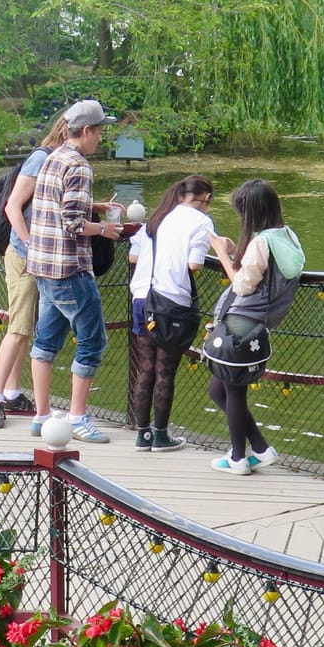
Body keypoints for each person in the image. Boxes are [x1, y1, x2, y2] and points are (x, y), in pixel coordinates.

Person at [25, 100, 127, 443]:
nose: (102, 139)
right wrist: (106, 230)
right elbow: (71, 223)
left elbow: (55, 207)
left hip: (43, 266)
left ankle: (41, 415)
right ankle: (79, 418)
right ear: (86, 131)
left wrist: (94, 207)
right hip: (70, 269)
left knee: (46, 341)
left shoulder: (52, 157)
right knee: (93, 341)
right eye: (100, 132)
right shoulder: (80, 167)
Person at [205, 179, 303, 474]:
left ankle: (238, 459)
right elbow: (266, 273)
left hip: (240, 324)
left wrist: (222, 252)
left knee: (232, 393)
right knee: (218, 390)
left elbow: (242, 285)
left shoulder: (261, 241)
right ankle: (260, 449)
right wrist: (239, 254)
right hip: (260, 326)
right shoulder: (287, 236)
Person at [0, 117, 68, 429]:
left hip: (41, 257)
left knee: (25, 327)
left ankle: (12, 391)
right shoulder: (42, 159)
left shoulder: (62, 162)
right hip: (24, 256)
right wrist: (30, 245)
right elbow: (13, 206)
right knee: (18, 329)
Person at [127, 176, 216, 452]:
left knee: (146, 368)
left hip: (142, 299)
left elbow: (133, 257)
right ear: (207, 198)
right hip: (171, 304)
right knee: (165, 371)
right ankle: (161, 435)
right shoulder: (201, 222)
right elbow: (195, 264)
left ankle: (142, 436)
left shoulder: (158, 217)